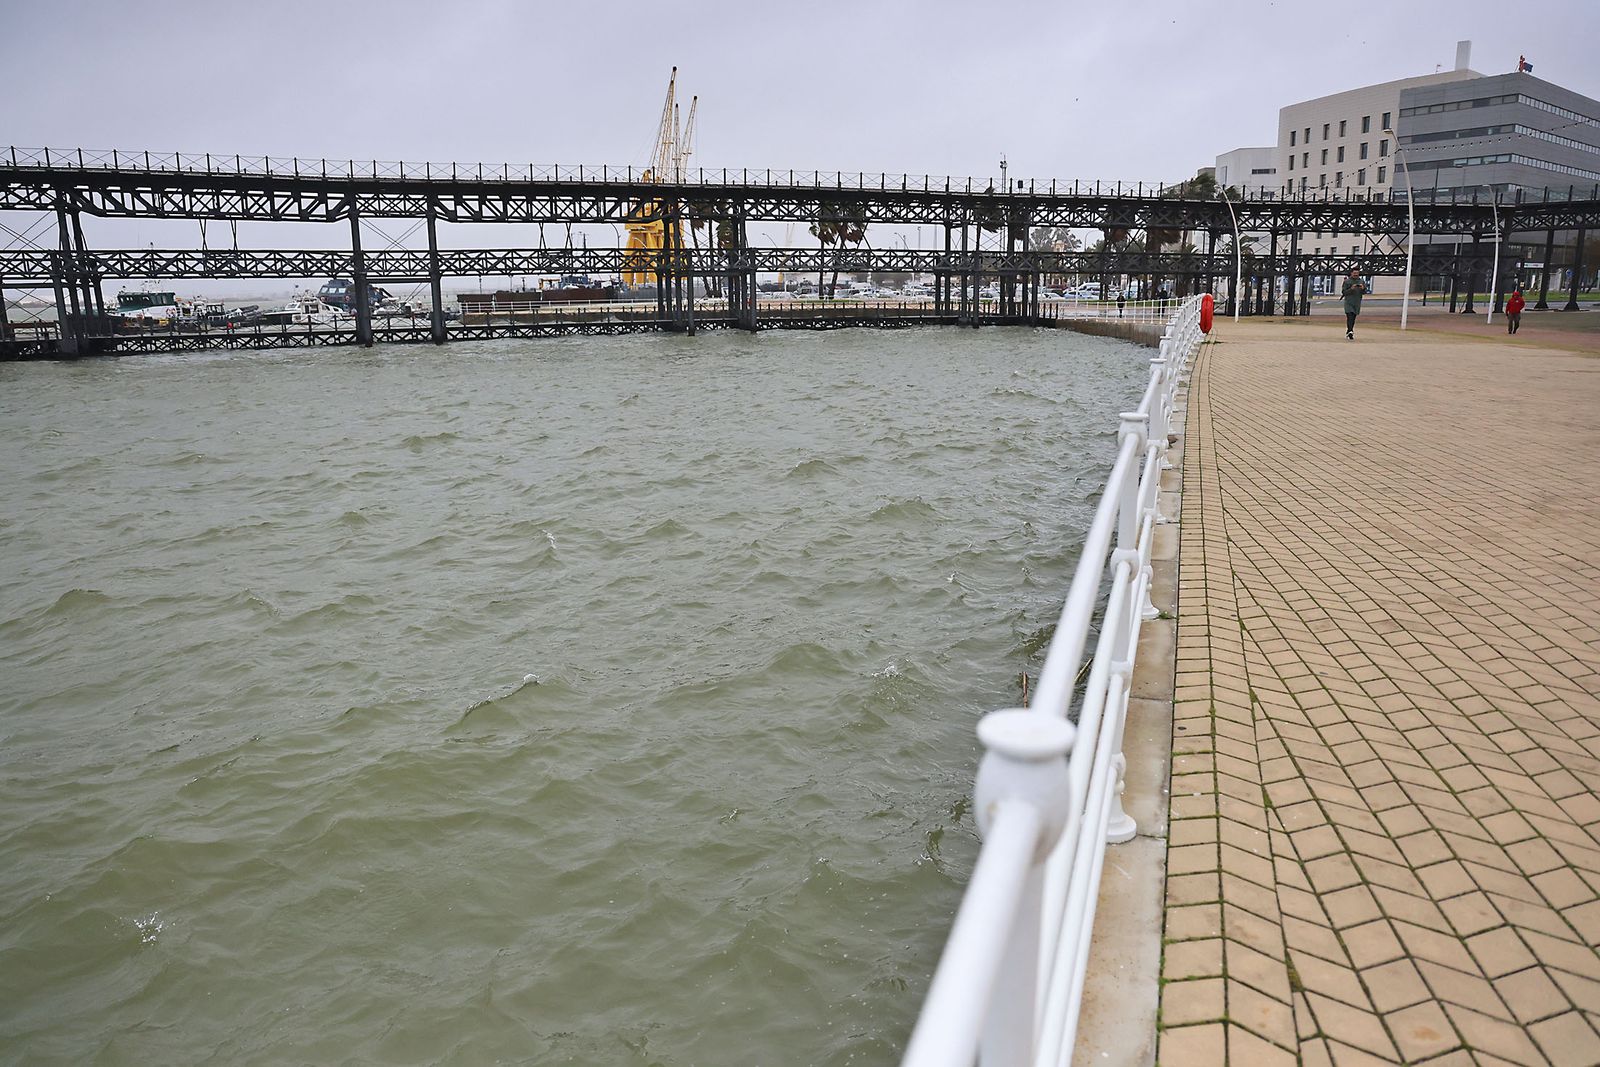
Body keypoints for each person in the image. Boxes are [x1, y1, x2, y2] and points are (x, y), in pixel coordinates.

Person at [1341, 270, 1367, 340]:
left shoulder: (1361, 281)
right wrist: (1351, 289)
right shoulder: (1347, 281)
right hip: (1348, 302)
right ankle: (1350, 331)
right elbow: (1344, 292)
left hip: (1357, 302)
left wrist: (1363, 288)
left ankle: (1349, 330)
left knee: (1353, 317)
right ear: (1351, 273)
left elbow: (1365, 292)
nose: (1356, 274)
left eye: (1357, 273)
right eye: (1354, 273)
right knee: (1350, 316)